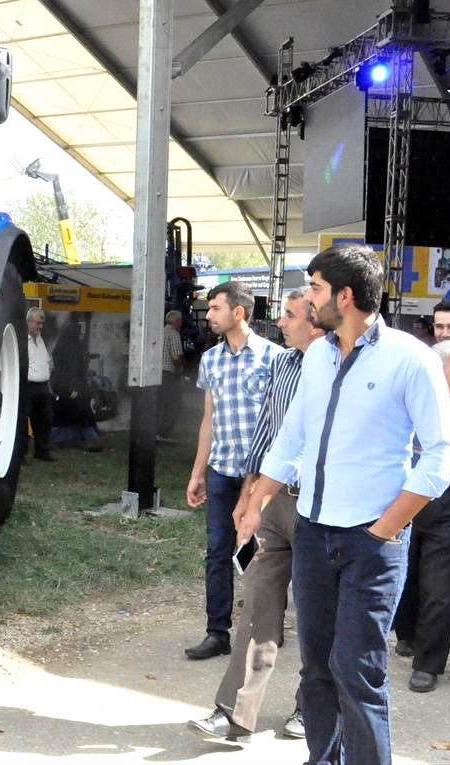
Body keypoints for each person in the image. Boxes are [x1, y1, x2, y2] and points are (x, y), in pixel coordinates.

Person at [237, 243, 450, 765]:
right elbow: (292, 439)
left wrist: (384, 530)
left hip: (370, 544)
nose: (308, 299)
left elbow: (441, 457)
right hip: (313, 533)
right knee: (316, 668)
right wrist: (257, 498)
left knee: (358, 671)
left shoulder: (412, 358)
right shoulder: (316, 355)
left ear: (345, 295)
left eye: (314, 288)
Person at [187, 287, 323, 741]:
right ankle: (232, 712)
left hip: (320, 508)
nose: (280, 323)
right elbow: (269, 430)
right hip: (274, 501)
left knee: (315, 613)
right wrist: (250, 492)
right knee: (258, 602)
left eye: (288, 315)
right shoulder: (284, 364)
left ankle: (312, 708)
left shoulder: (339, 366)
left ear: (316, 319)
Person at [185, 281, 280, 660]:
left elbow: (281, 422)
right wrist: (198, 472)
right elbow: (208, 421)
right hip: (223, 472)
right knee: (217, 552)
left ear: (238, 312)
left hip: (262, 476)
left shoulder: (275, 358)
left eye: (215, 308)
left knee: (266, 555)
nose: (208, 315)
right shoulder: (211, 360)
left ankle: (266, 631)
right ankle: (216, 633)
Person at [392, 338, 450, 692]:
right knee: (406, 573)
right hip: (405, 495)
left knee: (440, 586)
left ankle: (428, 665)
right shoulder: (411, 402)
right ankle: (407, 635)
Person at [51, 316, 102, 453]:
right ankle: (90, 439)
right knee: (83, 412)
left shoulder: (61, 345)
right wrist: (74, 387)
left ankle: (60, 439)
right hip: (72, 388)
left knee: (62, 414)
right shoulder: (73, 347)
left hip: (61, 387)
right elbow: (73, 367)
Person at [25, 307, 54, 461]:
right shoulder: (22, 340)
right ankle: (22, 454)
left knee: (45, 421)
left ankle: (42, 452)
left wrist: (49, 389)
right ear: (29, 321)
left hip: (43, 387)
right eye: (38, 323)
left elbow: (46, 365)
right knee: (23, 422)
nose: (40, 326)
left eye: (42, 323)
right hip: (28, 387)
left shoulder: (43, 340)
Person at [158, 310, 185, 443]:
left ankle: (156, 431)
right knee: (175, 404)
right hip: (168, 373)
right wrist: (180, 368)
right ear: (177, 321)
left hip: (157, 372)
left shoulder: (160, 332)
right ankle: (163, 433)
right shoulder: (173, 334)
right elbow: (175, 356)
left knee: (161, 403)